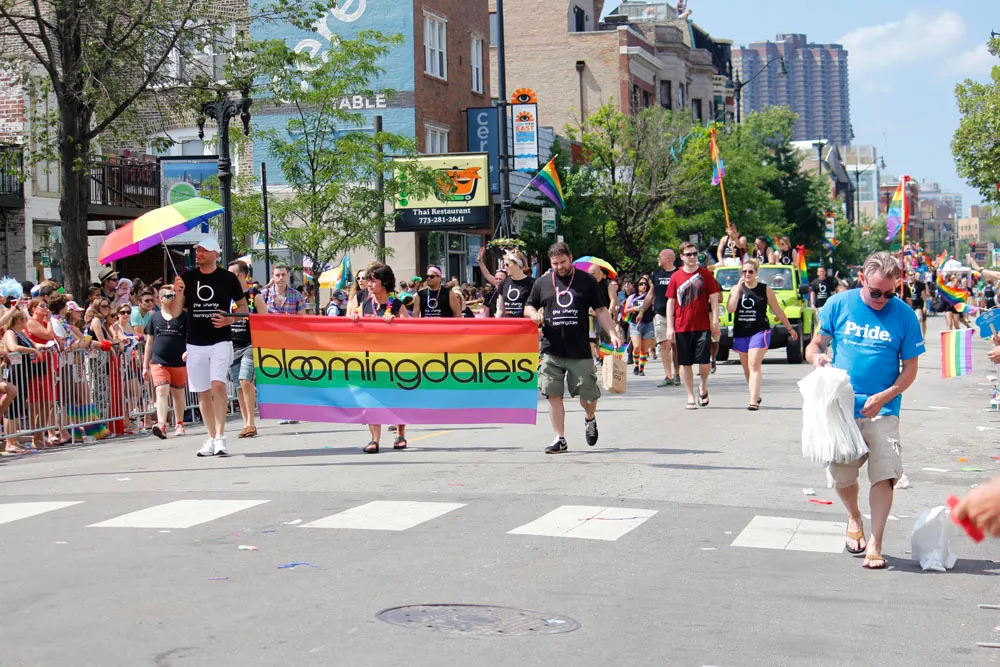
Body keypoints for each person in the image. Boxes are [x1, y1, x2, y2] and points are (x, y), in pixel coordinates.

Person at [805, 251, 925, 569]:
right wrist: (817, 358)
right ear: (862, 279)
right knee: (842, 474)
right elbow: (815, 345)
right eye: (875, 292)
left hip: (884, 409)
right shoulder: (838, 304)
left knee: (885, 475)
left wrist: (885, 396)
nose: (882, 299)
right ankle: (854, 517)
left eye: (889, 293)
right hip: (842, 408)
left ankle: (876, 541)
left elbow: (910, 369)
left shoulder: (905, 316)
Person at [525, 242, 622, 454]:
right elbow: (529, 305)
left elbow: (601, 310)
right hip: (551, 349)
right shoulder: (542, 282)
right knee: (552, 393)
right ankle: (560, 438)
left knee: (588, 397)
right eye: (555, 263)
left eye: (563, 262)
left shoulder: (586, 281)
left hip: (579, 349)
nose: (559, 266)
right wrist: (533, 313)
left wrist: (613, 333)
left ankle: (590, 418)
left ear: (570, 258)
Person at [168, 237, 248, 457]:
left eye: (204, 250)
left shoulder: (228, 278)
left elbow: (243, 308)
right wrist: (178, 293)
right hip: (195, 342)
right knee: (203, 391)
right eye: (198, 250)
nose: (199, 254)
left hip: (221, 339)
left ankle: (221, 437)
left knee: (218, 385)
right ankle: (211, 438)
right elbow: (174, 313)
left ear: (216, 254)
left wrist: (230, 319)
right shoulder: (187, 278)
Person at [349, 264, 409, 453]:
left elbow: (410, 331)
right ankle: (374, 440)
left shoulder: (396, 305)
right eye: (369, 280)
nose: (369, 284)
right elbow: (355, 331)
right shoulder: (364, 305)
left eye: (373, 281)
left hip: (393, 360)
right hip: (370, 360)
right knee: (370, 398)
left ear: (384, 283)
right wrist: (354, 322)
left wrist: (396, 324)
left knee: (396, 398)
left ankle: (400, 433)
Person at [727, 259, 798, 410]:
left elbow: (777, 310)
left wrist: (789, 329)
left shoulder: (764, 289)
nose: (747, 274)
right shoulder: (735, 289)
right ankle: (755, 393)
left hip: (759, 331)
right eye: (744, 271)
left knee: (754, 364)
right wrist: (737, 290)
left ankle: (753, 401)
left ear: (756, 273)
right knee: (747, 367)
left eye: (750, 271)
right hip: (741, 331)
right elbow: (731, 309)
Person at [666, 242, 721, 410]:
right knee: (686, 363)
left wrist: (715, 321)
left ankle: (703, 385)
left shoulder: (705, 274)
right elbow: (671, 302)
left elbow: (714, 298)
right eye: (688, 254)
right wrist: (669, 326)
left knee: (704, 361)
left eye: (694, 254)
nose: (692, 257)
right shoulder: (676, 276)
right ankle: (690, 396)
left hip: (702, 325)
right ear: (681, 256)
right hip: (682, 326)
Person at [143, 283, 190, 440]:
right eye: (169, 296)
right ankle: (161, 424)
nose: (172, 299)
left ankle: (179, 423)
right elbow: (149, 342)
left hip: (178, 361)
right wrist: (145, 366)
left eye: (174, 296)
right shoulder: (154, 317)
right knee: (161, 391)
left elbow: (190, 337)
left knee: (177, 393)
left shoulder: (183, 316)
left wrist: (189, 351)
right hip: (159, 361)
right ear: (161, 299)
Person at [228, 260, 268, 439]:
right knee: (239, 385)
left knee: (245, 380)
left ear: (242, 275)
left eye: (231, 274)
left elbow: (265, 321)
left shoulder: (254, 296)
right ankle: (246, 424)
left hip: (251, 344)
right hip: (232, 345)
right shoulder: (227, 296)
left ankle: (251, 422)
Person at [647, 248, 679, 387]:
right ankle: (668, 376)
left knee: (676, 346)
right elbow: (651, 294)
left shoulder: (679, 273)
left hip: (677, 314)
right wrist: (641, 312)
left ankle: (677, 374)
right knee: (664, 345)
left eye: (660, 257)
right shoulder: (656, 274)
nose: (657, 259)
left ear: (668, 259)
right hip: (660, 313)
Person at [624, 276, 655, 375]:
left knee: (644, 349)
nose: (643, 286)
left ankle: (641, 369)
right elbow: (625, 310)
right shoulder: (632, 297)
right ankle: (636, 366)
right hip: (635, 324)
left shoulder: (650, 296)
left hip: (648, 323)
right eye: (641, 284)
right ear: (637, 286)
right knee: (637, 346)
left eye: (645, 284)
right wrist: (634, 308)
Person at [495, 249, 534, 318]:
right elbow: (500, 310)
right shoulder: (503, 283)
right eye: (504, 265)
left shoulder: (532, 283)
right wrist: (496, 323)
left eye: (507, 265)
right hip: (509, 323)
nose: (505, 267)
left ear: (517, 264)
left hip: (525, 323)